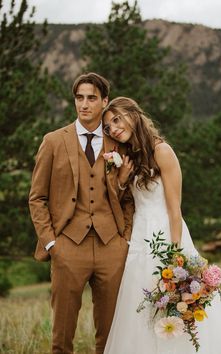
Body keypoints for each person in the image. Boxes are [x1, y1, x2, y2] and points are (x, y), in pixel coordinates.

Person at [102, 96, 221, 354]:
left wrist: (176, 258)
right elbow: (122, 203)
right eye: (108, 127)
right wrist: (121, 179)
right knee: (138, 305)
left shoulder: (162, 151)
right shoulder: (129, 157)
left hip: (166, 236)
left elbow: (175, 210)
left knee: (175, 304)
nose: (114, 129)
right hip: (140, 241)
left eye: (117, 119)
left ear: (134, 114)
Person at [29, 73, 134, 354]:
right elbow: (37, 198)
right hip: (67, 247)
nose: (84, 104)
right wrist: (52, 243)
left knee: (111, 337)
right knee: (61, 338)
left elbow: (129, 196)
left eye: (91, 98)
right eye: (79, 98)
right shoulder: (52, 141)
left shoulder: (119, 144)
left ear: (104, 102)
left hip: (111, 245)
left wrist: (125, 238)